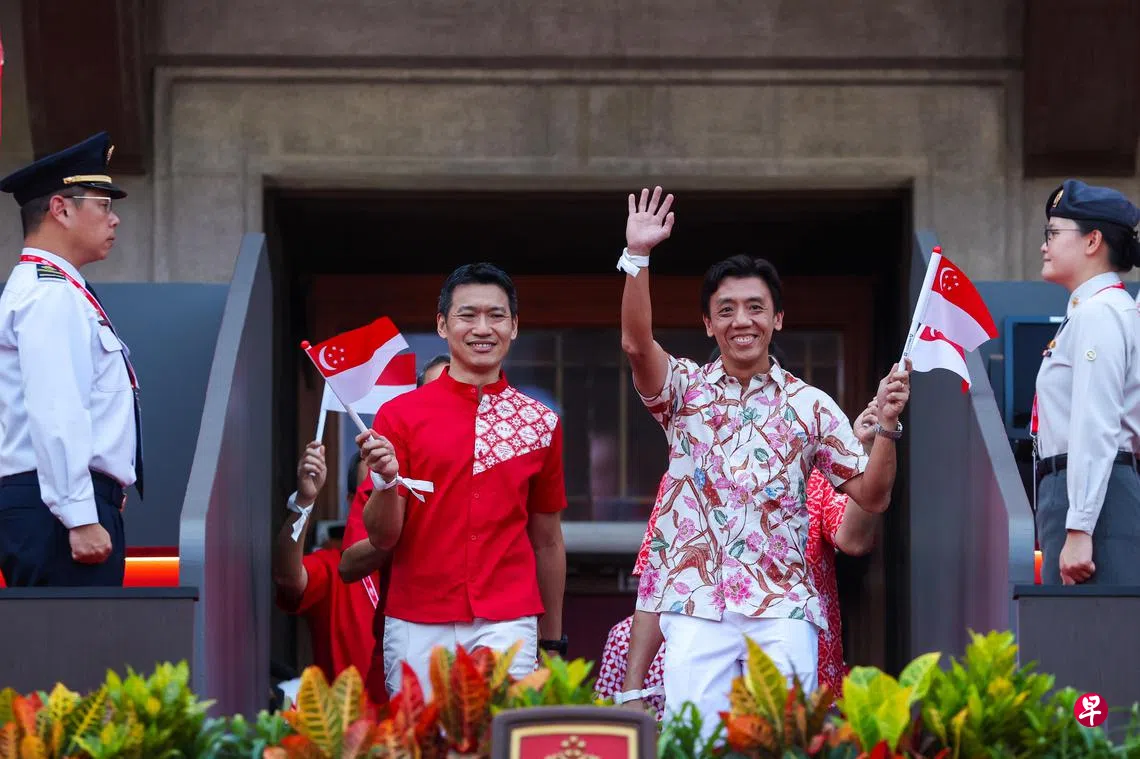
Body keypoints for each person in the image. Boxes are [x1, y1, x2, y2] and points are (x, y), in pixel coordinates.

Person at [618, 186, 910, 726]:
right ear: (708, 324)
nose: (742, 320)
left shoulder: (811, 405)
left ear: (777, 319)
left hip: (783, 605)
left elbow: (872, 496)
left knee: (783, 740)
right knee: (696, 742)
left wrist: (888, 427)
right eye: (725, 310)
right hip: (696, 602)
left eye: (756, 308)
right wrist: (637, 257)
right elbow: (637, 346)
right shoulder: (684, 391)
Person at [597, 349, 887, 710]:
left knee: (783, 736)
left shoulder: (814, 481)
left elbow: (854, 537)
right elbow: (657, 579)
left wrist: (868, 450)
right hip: (704, 651)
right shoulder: (688, 482)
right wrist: (632, 687)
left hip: (796, 648)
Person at [356, 263, 567, 698]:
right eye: (468, 315)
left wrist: (552, 640)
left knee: (500, 731)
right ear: (442, 325)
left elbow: (547, 540)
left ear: (514, 326)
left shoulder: (540, 421)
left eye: (496, 315)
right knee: (419, 734)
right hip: (417, 616)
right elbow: (383, 537)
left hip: (508, 617)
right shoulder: (399, 416)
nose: (482, 328)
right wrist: (386, 482)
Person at [0, 132, 142, 587]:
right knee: (73, 634)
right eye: (103, 205)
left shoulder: (55, 289)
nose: (114, 219)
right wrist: (79, 513)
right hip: (55, 510)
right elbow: (57, 408)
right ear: (60, 209)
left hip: (54, 502)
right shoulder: (50, 293)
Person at [1035, 179, 1140, 585]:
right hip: (1089, 493)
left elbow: (1095, 425)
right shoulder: (1098, 310)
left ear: (1092, 241)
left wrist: (1080, 527)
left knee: (1094, 622)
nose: (1044, 246)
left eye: (1053, 233)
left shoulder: (1100, 313)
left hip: (1096, 500)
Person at [338, 353, 451, 701]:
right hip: (408, 638)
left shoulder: (499, 458)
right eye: (435, 393)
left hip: (488, 636)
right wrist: (402, 531)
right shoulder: (389, 473)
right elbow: (348, 566)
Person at [273, 441, 387, 702]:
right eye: (369, 494)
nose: (383, 505)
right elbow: (288, 578)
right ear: (352, 502)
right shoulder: (335, 566)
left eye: (392, 492)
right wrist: (304, 502)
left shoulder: (424, 568)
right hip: (343, 724)